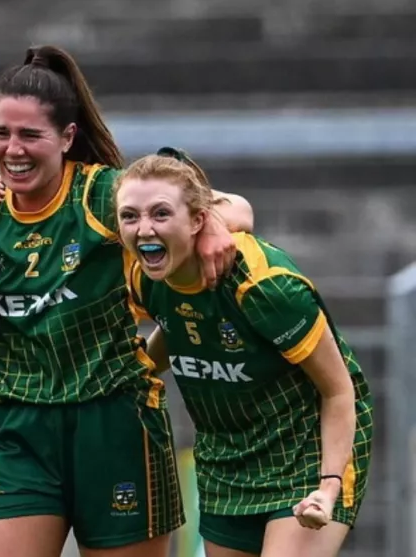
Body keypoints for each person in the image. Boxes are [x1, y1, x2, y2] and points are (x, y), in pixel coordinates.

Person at [0, 46, 255, 557]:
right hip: (17, 428)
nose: (13, 149)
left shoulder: (104, 194)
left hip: (113, 420)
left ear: (66, 137)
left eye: (30, 135)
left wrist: (210, 223)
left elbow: (237, 208)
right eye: (0, 133)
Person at [115, 152, 373, 557]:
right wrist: (136, 369)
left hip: (303, 453)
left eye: (161, 214)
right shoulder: (144, 277)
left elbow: (340, 392)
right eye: (130, 216)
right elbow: (177, 323)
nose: (144, 229)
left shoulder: (265, 288)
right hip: (226, 459)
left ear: (199, 219)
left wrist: (327, 488)